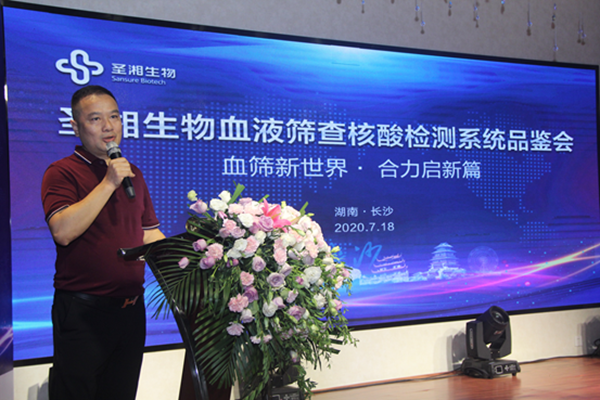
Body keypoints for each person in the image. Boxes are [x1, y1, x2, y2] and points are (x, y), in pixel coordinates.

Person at [41, 85, 165, 400]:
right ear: (76, 126)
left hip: (131, 312)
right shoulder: (62, 172)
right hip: (84, 312)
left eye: (114, 117)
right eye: (96, 119)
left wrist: (191, 261)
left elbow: (148, 234)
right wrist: (109, 182)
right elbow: (63, 231)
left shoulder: (133, 174)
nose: (108, 127)